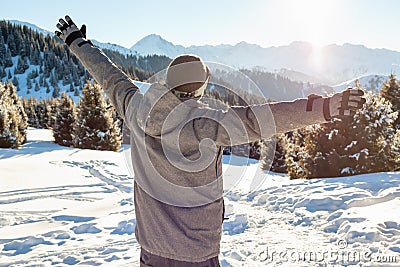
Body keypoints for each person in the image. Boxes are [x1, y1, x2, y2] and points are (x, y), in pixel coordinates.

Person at [55, 16, 365, 267]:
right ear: (201, 88)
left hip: (151, 248)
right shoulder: (210, 123)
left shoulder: (134, 106)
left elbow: (108, 75)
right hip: (197, 252)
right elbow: (266, 118)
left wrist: (77, 42)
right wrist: (325, 107)